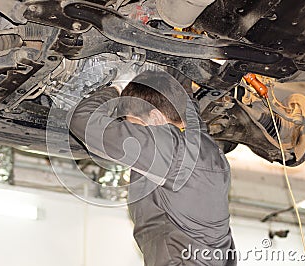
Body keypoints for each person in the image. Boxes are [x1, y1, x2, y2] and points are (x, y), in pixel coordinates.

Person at [67, 70, 236, 265]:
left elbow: (82, 120)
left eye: (135, 125)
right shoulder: (198, 144)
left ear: (156, 117)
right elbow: (81, 120)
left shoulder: (173, 148)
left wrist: (117, 88)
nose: (134, 132)